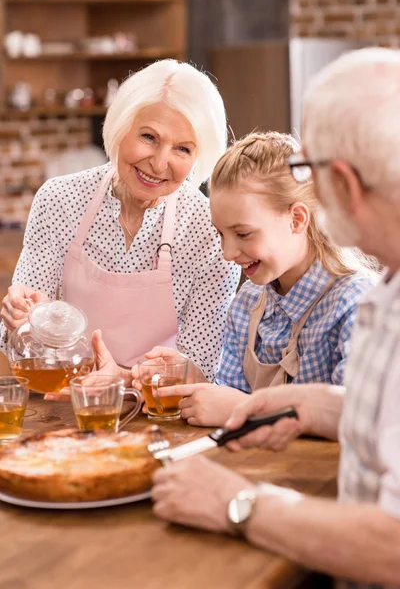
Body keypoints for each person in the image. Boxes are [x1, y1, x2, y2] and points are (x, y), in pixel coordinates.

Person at [151, 47, 400, 588]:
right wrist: (312, 404)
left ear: (343, 184)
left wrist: (239, 504)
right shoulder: (388, 294)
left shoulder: (358, 298)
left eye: (308, 167)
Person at [0, 59, 240, 380]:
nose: (158, 163)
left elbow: (200, 370)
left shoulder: (210, 231)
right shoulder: (60, 199)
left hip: (159, 416)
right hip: (67, 402)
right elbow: (22, 339)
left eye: (182, 149)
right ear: (120, 126)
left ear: (199, 157)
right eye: (149, 137)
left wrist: (123, 381)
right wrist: (20, 318)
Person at [134, 132, 376, 426]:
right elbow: (229, 401)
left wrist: (251, 408)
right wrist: (194, 382)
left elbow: (363, 421)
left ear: (297, 220)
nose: (227, 253)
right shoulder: (247, 304)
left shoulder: (358, 304)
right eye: (221, 234)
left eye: (243, 234)